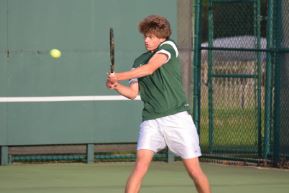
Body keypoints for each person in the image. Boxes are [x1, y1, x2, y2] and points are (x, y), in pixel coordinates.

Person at [106, 15, 211, 193]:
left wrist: (119, 76)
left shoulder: (168, 47)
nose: (146, 40)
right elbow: (132, 93)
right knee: (140, 167)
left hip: (177, 119)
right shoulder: (138, 61)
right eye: (145, 36)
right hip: (151, 121)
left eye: (151, 37)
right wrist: (116, 85)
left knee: (194, 171)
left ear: (162, 37)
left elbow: (150, 68)